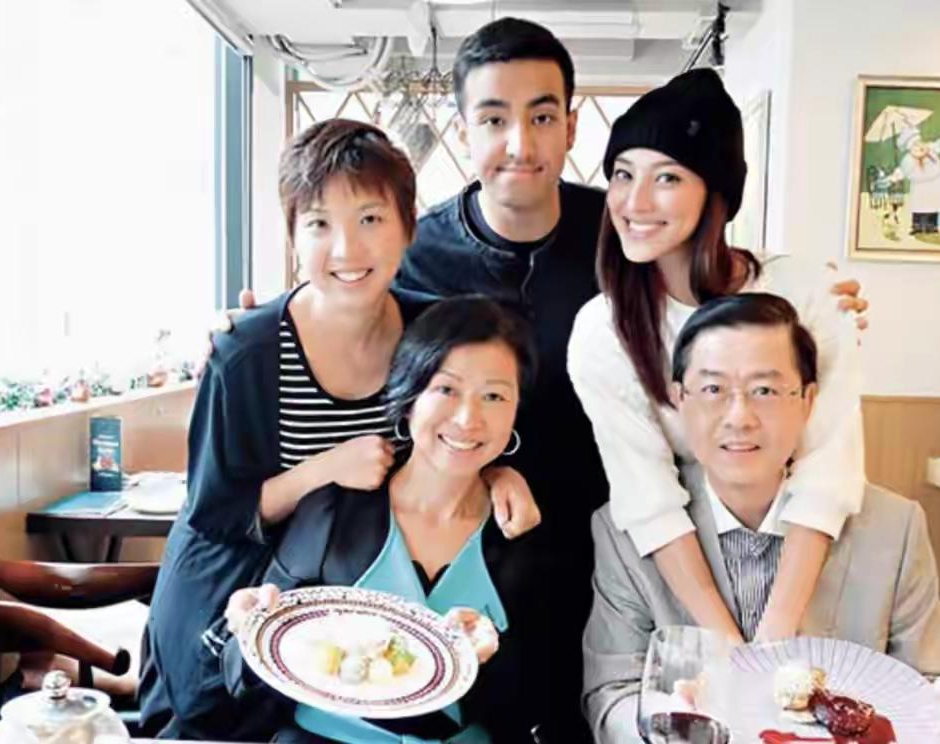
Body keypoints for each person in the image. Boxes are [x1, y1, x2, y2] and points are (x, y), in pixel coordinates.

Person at [229, 19, 868, 738]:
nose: (519, 144)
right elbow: (357, 307)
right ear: (463, 129)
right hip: (483, 547)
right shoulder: (416, 252)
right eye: (493, 119)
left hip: (618, 544)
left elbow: (716, 284)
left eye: (541, 117)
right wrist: (257, 323)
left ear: (571, 125)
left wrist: (814, 300)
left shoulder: (620, 236)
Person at [139, 119, 535, 739]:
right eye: (320, 223)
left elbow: (464, 415)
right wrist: (325, 469)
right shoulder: (247, 353)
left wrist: (498, 470)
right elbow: (214, 512)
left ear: (409, 227)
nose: (347, 249)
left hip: (344, 615)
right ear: (293, 236)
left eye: (371, 219)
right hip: (235, 598)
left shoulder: (428, 333)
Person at [567, 68, 865, 646]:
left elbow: (829, 468)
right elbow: (647, 497)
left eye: (667, 177)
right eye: (623, 174)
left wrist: (774, 635)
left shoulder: (804, 294)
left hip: (808, 552)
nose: (635, 201)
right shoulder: (603, 331)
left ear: (716, 194)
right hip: (682, 560)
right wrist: (727, 645)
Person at [582, 292, 940, 742]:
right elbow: (611, 694)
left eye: (765, 390)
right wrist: (668, 724)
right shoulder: (625, 534)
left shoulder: (893, 528)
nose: (739, 417)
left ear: (807, 400)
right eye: (713, 390)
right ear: (679, 398)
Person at [218, 296, 552, 743]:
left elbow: (541, 700)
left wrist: (494, 659)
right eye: (446, 390)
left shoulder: (524, 531)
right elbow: (244, 680)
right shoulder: (335, 512)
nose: (468, 418)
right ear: (410, 398)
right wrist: (248, 628)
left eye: (494, 396)